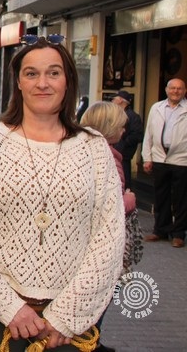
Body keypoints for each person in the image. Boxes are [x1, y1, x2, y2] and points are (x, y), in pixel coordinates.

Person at [0, 35, 124, 351]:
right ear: (18, 82)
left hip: (68, 324)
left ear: (67, 81)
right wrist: (9, 307)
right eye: (31, 73)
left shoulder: (93, 147)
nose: (42, 83)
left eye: (53, 72)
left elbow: (109, 237)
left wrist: (66, 315)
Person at [80, 101, 138, 352]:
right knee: (100, 296)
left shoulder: (83, 150)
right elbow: (107, 206)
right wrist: (129, 200)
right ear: (109, 127)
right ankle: (90, 341)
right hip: (101, 244)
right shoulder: (107, 158)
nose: (124, 131)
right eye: (121, 126)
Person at [141, 78, 187, 248]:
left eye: (179, 88)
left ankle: (178, 234)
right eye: (172, 88)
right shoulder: (156, 108)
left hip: (182, 159)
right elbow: (149, 134)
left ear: (184, 91)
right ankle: (160, 230)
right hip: (159, 158)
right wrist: (147, 157)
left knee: (181, 199)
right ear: (166, 90)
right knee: (161, 197)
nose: (176, 91)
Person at [111, 90, 144, 189]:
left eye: (114, 99)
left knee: (124, 181)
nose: (112, 101)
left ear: (120, 100)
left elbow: (137, 136)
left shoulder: (133, 116)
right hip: (114, 153)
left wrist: (121, 145)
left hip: (124, 155)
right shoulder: (116, 114)